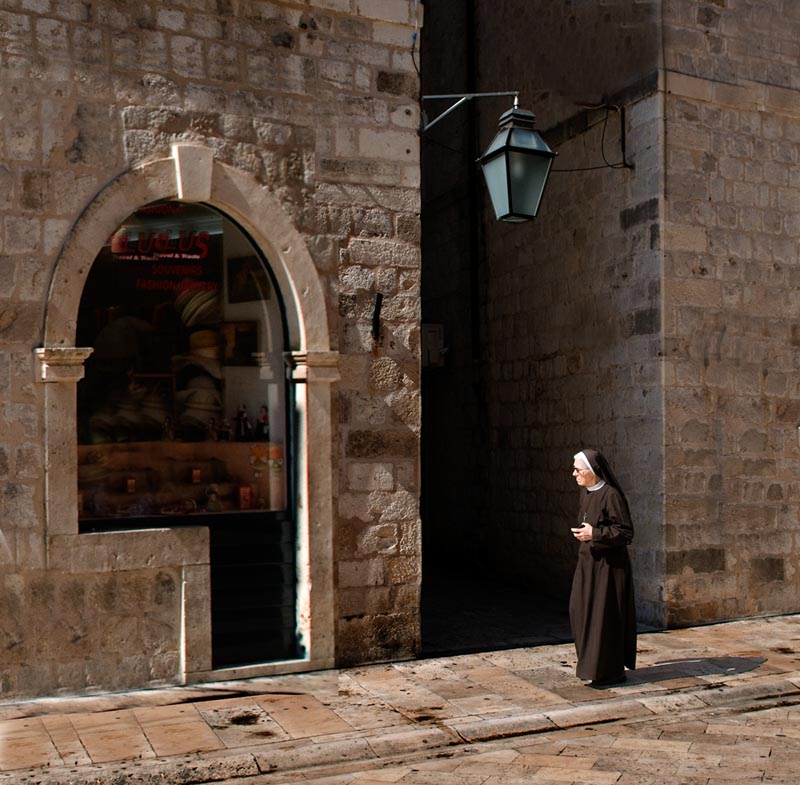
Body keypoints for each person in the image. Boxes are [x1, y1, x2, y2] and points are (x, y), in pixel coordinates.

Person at [569, 448, 636, 687]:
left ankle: (609, 672)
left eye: (578, 469)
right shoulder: (586, 493)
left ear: (592, 471)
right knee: (580, 611)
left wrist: (594, 533)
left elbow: (625, 532)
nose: (574, 474)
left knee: (604, 618)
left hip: (609, 569)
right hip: (588, 564)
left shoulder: (611, 495)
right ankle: (591, 666)